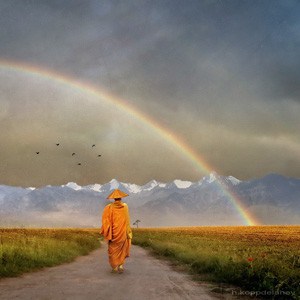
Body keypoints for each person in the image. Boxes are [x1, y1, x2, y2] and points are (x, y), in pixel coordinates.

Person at [100, 189, 132, 273]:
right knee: (122, 249)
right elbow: (127, 220)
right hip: (123, 232)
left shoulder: (108, 207)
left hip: (113, 233)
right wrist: (128, 231)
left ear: (114, 198)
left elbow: (105, 220)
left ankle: (114, 267)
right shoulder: (125, 206)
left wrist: (107, 231)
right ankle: (120, 265)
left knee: (113, 249)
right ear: (121, 197)